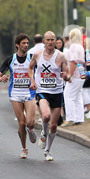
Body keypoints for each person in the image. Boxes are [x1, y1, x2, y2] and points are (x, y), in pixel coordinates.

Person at [29, 31, 70, 161]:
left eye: (52, 39)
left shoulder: (61, 56)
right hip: (42, 91)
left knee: (54, 125)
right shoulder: (37, 55)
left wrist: (66, 76)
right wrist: (33, 81)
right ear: (44, 41)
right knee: (45, 115)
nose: (51, 42)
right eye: (48, 40)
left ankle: (47, 151)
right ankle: (43, 133)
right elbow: (30, 68)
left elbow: (67, 75)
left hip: (57, 92)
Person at [0, 33, 37, 159]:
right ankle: (24, 148)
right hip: (15, 94)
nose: (26, 45)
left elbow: (41, 71)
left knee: (30, 122)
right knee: (22, 123)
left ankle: (31, 129)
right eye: (23, 43)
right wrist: (0, 78)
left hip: (29, 92)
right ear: (17, 45)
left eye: (27, 43)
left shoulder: (32, 58)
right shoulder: (10, 59)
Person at [63, 28, 86, 125]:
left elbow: (73, 62)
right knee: (78, 97)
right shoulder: (80, 46)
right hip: (80, 74)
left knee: (68, 95)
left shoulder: (73, 47)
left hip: (75, 75)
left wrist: (69, 75)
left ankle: (70, 117)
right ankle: (79, 117)